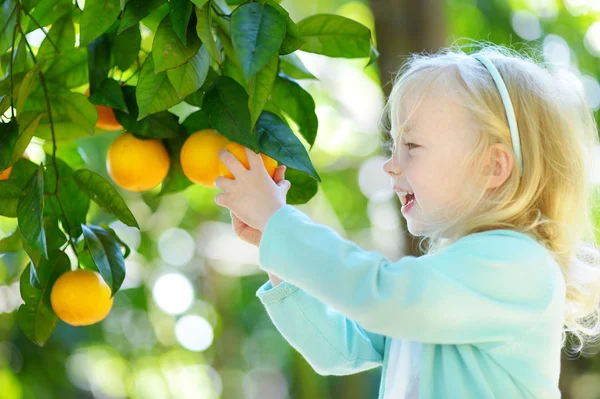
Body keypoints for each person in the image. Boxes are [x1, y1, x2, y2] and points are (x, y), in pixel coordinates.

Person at [213, 43, 600, 398]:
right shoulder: (447, 279)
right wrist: (276, 248)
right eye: (393, 145)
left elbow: (377, 294)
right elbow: (338, 348)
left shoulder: (516, 266)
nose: (390, 164)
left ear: (492, 166)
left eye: (411, 146)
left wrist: (280, 222)